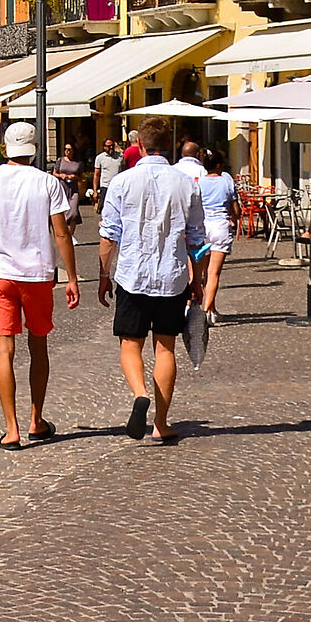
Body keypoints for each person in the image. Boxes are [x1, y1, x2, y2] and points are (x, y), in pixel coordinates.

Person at [0, 121, 80, 450]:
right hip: (37, 274)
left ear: (4, 148)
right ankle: (35, 420)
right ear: (35, 148)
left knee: (4, 351)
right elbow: (61, 234)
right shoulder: (47, 183)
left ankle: (11, 430)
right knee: (38, 346)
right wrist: (71, 276)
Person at [97, 116, 204, 445]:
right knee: (166, 347)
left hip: (133, 275)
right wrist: (197, 280)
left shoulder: (122, 182)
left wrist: (104, 275)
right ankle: (161, 423)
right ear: (170, 146)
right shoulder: (186, 183)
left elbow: (109, 234)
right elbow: (197, 238)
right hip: (172, 277)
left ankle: (140, 393)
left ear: (139, 146)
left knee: (130, 345)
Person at [195, 148, 237, 321]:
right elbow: (234, 208)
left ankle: (209, 307)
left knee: (202, 273)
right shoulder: (226, 181)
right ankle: (207, 311)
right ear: (219, 165)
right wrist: (234, 218)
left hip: (202, 226)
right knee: (213, 273)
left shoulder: (198, 182)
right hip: (220, 225)